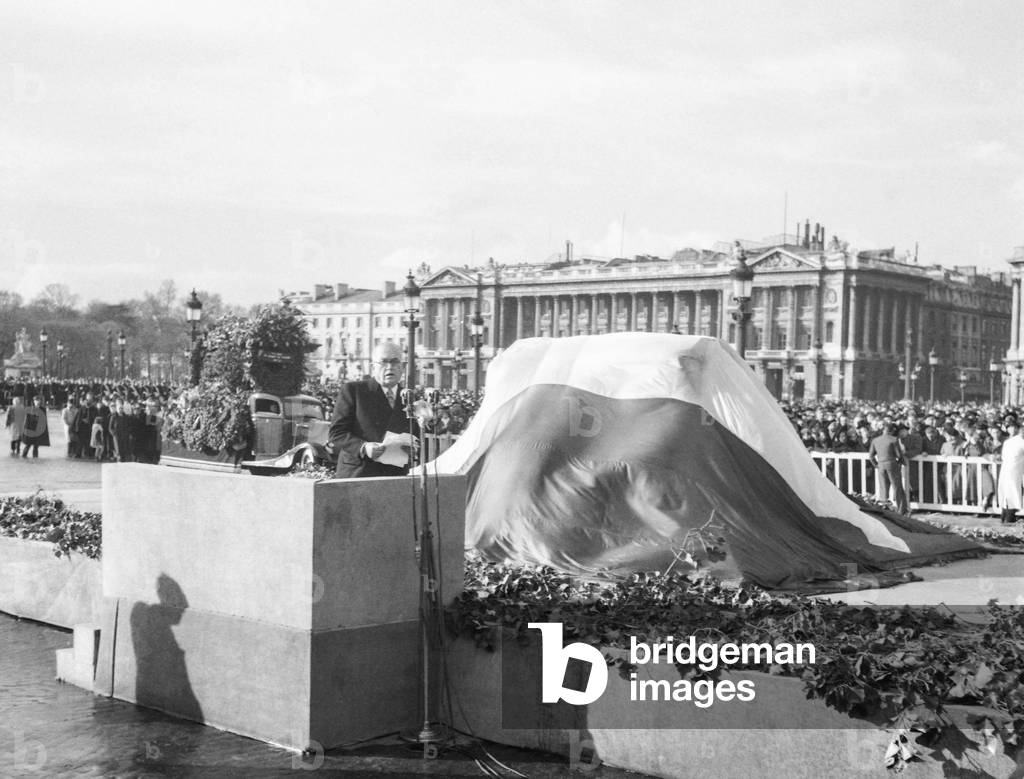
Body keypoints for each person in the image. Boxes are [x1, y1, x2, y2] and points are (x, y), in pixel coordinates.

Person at [328, 341, 418, 478]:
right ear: (373, 368)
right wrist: (363, 447)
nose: (389, 367)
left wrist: (412, 449)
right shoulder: (354, 391)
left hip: (395, 475)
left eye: (394, 362)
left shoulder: (408, 396)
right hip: (359, 473)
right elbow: (336, 433)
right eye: (383, 362)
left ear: (402, 367)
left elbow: (415, 434)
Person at [868, 423, 908, 515]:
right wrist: (901, 462)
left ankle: (884, 509)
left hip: (881, 465)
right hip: (891, 463)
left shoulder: (875, 440)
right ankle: (902, 510)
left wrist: (876, 465)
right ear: (892, 431)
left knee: (883, 487)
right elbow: (898, 455)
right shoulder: (893, 439)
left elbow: (871, 456)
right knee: (897, 487)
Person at [997, 420, 1024, 524]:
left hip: (1011, 471)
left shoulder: (1009, 442)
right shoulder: (1014, 442)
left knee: (1009, 494)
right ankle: (1008, 518)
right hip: (1012, 471)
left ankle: (1006, 517)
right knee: (1011, 493)